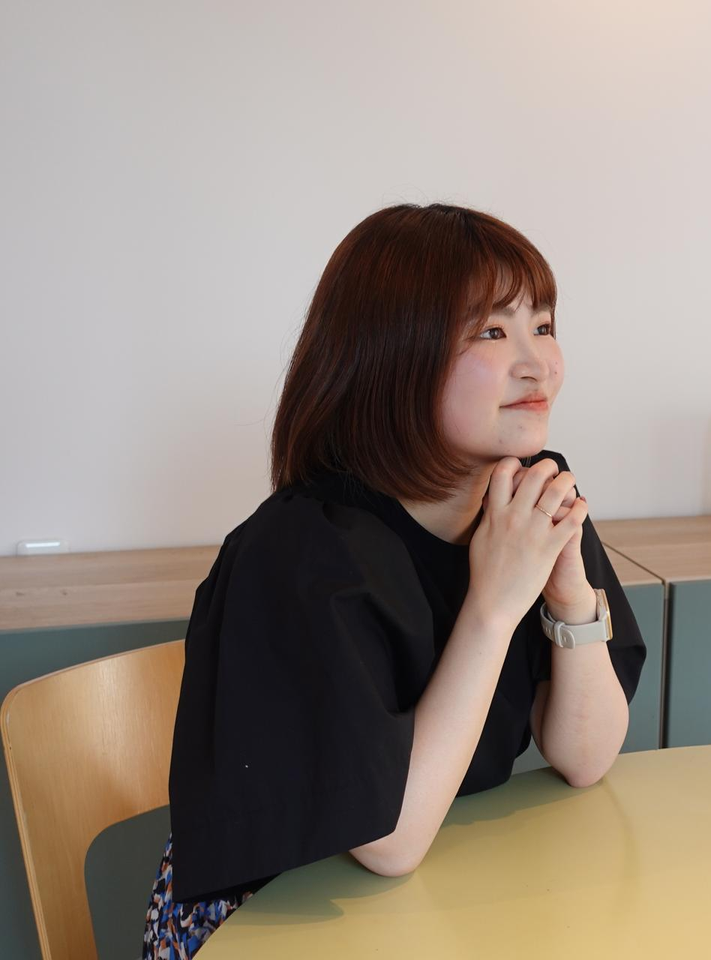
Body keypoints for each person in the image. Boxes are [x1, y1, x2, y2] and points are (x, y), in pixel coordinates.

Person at [139, 203, 646, 957]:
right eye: (491, 332)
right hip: (273, 925)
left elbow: (585, 756)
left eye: (542, 325)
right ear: (392, 356)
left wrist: (568, 594)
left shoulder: (525, 498)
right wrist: (495, 605)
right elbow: (388, 841)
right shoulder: (303, 551)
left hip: (432, 906)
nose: (538, 363)